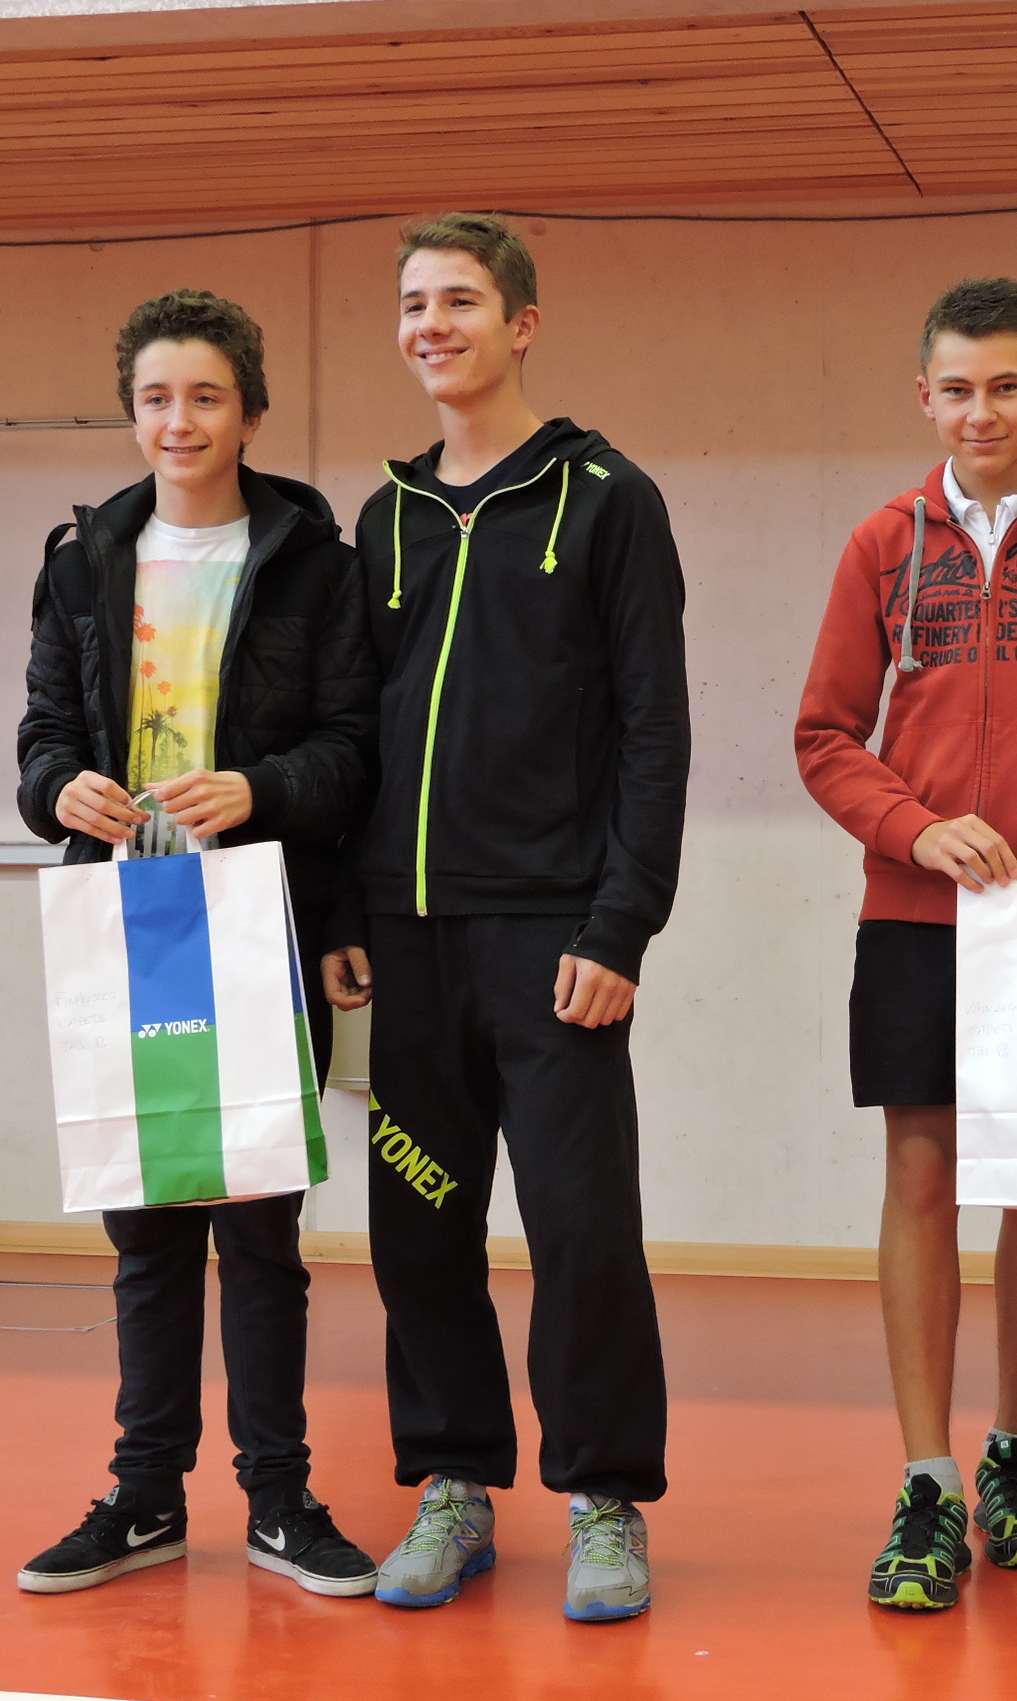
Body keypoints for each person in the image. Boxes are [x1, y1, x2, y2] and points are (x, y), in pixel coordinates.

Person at [320, 213, 690, 1624]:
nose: (432, 325)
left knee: (583, 1229)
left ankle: (605, 1500)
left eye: (461, 301)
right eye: (414, 303)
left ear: (521, 323)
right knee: (418, 1225)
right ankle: (454, 1483)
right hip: (406, 940)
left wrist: (619, 927)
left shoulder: (609, 500)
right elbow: (357, 729)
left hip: (552, 941)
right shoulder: (387, 517)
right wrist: (348, 902)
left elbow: (655, 730)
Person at [795, 278, 1017, 1612]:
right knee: (921, 1170)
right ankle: (927, 1477)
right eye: (957, 389)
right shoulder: (880, 542)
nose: (981, 411)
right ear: (924, 397)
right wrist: (914, 827)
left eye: (1006, 386)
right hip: (919, 908)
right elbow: (825, 735)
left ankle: (1014, 1452)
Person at [13, 289, 379, 1597]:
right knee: (150, 1229)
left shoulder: (315, 561)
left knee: (262, 1229)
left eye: (206, 397)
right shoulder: (81, 561)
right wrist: (58, 788)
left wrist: (259, 789)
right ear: (132, 413)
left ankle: (279, 1500)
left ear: (251, 414)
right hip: (130, 922)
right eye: (157, 398)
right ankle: (145, 1497)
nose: (180, 420)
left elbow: (354, 753)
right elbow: (43, 735)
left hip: (258, 920)